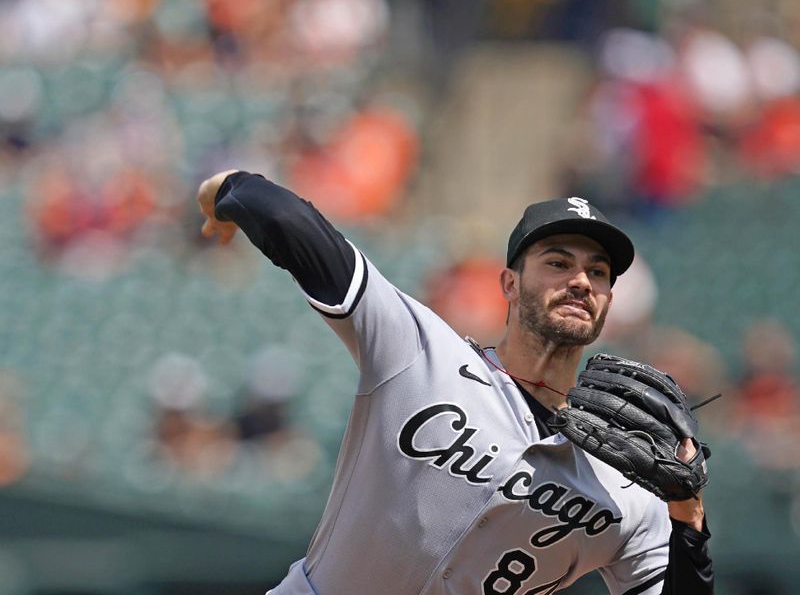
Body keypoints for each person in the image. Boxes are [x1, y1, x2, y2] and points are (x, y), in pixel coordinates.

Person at [196, 170, 713, 595]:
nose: (581, 280)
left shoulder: (629, 483)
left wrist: (687, 518)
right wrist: (223, 191)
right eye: (558, 262)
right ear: (509, 282)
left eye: (598, 273)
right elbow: (288, 219)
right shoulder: (420, 352)